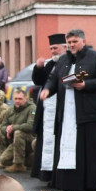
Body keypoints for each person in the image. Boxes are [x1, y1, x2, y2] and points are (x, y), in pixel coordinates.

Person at [39, 29, 96, 191]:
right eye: (69, 42)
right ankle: (68, 183)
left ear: (83, 42)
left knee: (87, 150)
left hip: (88, 113)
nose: (72, 45)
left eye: (75, 42)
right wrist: (48, 90)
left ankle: (89, 185)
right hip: (67, 113)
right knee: (67, 146)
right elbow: (53, 78)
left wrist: (85, 85)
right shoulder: (63, 60)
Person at [31, 33, 68, 181]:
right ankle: (45, 174)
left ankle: (57, 176)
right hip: (47, 111)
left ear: (64, 48)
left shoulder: (68, 64)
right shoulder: (50, 64)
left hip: (61, 111)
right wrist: (39, 68)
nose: (53, 51)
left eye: (55, 48)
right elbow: (39, 81)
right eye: (51, 48)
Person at [0, 89, 36, 173]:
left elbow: (31, 126)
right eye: (15, 99)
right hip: (15, 141)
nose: (17, 101)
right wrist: (7, 130)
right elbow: (2, 126)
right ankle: (27, 160)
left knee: (18, 133)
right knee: (4, 160)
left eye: (20, 99)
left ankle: (19, 164)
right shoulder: (11, 110)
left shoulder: (32, 108)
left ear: (25, 99)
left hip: (30, 140)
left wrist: (13, 128)